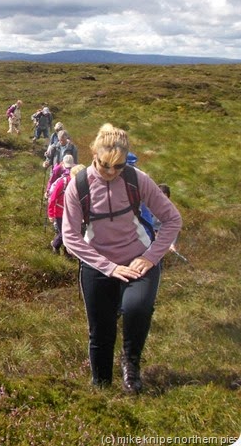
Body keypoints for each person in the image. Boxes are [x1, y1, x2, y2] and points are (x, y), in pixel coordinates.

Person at [62, 123, 182, 394]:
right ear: (93, 153)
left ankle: (130, 363)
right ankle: (101, 387)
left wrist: (150, 257)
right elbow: (70, 237)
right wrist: (109, 267)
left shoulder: (136, 179)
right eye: (105, 165)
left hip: (138, 258)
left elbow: (172, 220)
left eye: (118, 167)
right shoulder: (78, 186)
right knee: (101, 330)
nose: (111, 172)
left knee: (137, 309)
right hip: (97, 263)